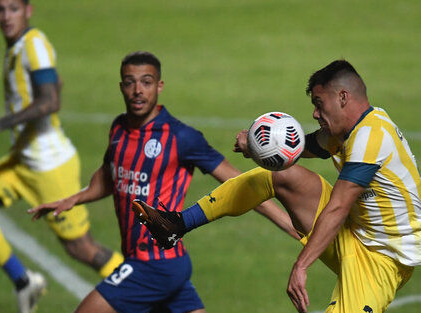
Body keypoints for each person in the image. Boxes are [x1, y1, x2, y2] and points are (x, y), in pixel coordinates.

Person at [132, 60, 421, 313]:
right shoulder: (349, 129)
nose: (315, 114)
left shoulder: (371, 137)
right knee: (281, 175)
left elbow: (338, 208)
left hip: (383, 259)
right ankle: (178, 223)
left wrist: (302, 265)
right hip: (354, 229)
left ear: (343, 97)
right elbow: (300, 148)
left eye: (319, 104)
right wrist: (256, 147)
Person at [28, 51, 297, 313]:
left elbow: (243, 185)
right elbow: (112, 177)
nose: (138, 91)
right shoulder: (119, 128)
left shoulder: (182, 138)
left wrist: (290, 225)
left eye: (146, 82)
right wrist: (74, 198)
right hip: (164, 263)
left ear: (159, 86)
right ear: (121, 86)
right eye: (130, 82)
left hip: (155, 264)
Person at [0, 1, 123, 312]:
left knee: (81, 248)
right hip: (22, 161)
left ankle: (147, 291)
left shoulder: (34, 45)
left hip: (49, 166)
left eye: (14, 9)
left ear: (28, 10)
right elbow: (52, 85)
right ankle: (25, 282)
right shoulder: (18, 47)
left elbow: (50, 100)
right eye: (0, 9)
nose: (6, 17)